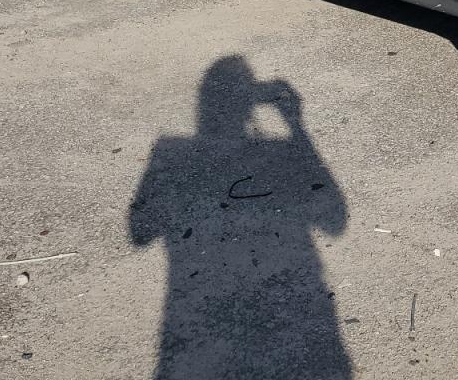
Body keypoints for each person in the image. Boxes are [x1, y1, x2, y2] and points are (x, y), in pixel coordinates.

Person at [130, 55, 351, 379]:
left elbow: (138, 233)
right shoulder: (277, 150)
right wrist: (295, 124)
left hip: (194, 336)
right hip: (295, 323)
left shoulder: (169, 150)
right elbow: (336, 222)